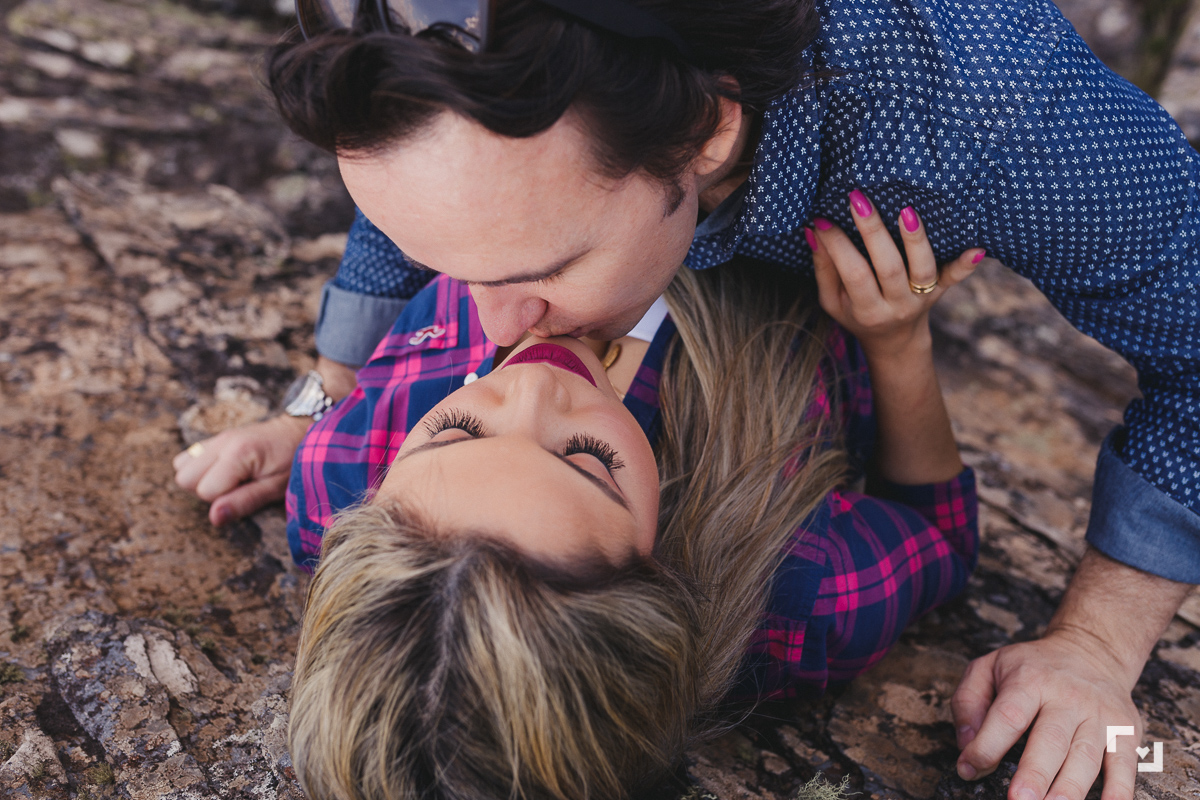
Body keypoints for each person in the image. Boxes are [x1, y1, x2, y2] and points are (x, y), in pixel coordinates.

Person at [173, 0, 1200, 797]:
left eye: (544, 260)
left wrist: (1101, 645)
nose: (505, 345)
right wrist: (324, 389)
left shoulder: (973, 107)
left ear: (708, 133)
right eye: (437, 256)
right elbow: (453, 180)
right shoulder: (780, 591)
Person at [285, 203, 981, 800]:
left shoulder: (334, 478)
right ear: (661, 579)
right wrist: (897, 343)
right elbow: (939, 532)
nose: (532, 383)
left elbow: (421, 185)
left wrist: (314, 394)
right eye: (585, 461)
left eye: (457, 429)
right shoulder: (800, 587)